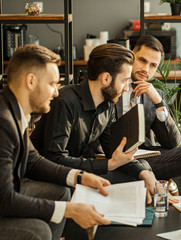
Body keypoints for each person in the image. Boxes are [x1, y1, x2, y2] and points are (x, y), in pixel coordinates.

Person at [0, 44, 113, 240]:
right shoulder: (3, 122)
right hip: (4, 197)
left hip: (10, 190)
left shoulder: (15, 112)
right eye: (52, 84)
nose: (56, 93)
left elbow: (32, 160)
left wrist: (80, 176)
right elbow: (4, 200)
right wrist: (68, 210)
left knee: (60, 192)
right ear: (31, 81)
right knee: (37, 231)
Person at [30, 43, 157, 204]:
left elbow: (114, 150)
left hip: (79, 171)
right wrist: (108, 165)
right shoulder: (65, 101)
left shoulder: (108, 105)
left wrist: (142, 172)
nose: (126, 88)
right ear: (105, 78)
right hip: (50, 176)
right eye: (124, 81)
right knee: (132, 182)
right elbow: (54, 159)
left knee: (141, 172)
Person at [115, 35, 181, 180]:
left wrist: (158, 102)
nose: (145, 69)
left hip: (144, 155)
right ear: (132, 56)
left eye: (153, 65)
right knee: (143, 166)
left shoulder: (154, 95)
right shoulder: (113, 84)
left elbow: (171, 142)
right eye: (142, 60)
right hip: (113, 155)